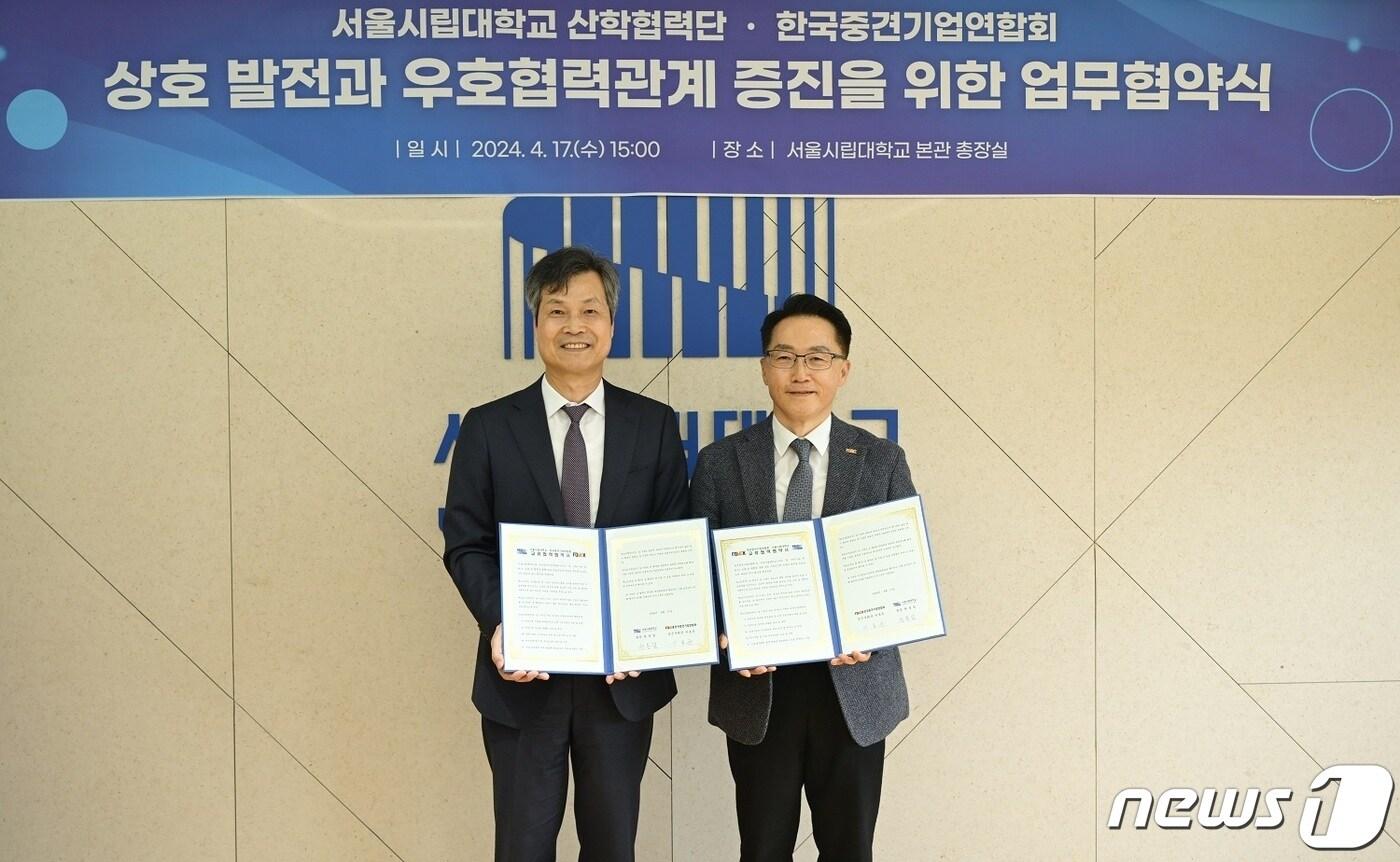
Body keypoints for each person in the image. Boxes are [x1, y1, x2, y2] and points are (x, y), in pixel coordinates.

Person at [442, 246, 688, 862]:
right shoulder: (489, 426)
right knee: (522, 847)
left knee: (612, 846)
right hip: (523, 680)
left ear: (611, 324)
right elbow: (467, 541)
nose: (574, 325)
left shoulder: (653, 424)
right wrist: (503, 623)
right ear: (536, 323)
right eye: (557, 310)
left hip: (620, 684)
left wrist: (644, 633)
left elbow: (671, 540)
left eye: (589, 310)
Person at [691, 293, 915, 862]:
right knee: (762, 849)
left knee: (849, 849)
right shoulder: (720, 462)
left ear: (843, 369)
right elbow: (697, 572)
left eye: (817, 358)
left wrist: (873, 633)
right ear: (764, 367)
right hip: (760, 687)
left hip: (854, 686)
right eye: (784, 357)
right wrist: (722, 633)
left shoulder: (882, 461)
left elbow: (902, 573)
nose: (800, 372)